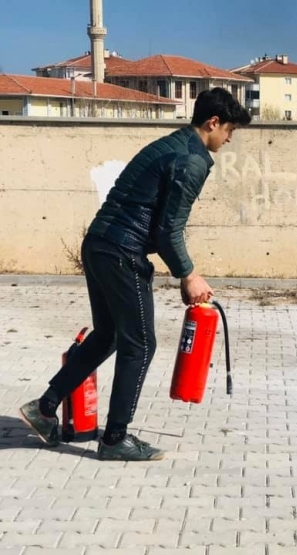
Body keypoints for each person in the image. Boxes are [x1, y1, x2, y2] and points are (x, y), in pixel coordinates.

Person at [19, 87, 251, 461]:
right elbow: (168, 229)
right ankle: (114, 439)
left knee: (109, 335)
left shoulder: (170, 144)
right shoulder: (191, 160)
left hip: (98, 244)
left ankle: (44, 408)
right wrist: (188, 274)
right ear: (213, 123)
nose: (228, 139)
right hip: (122, 252)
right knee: (140, 344)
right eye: (229, 131)